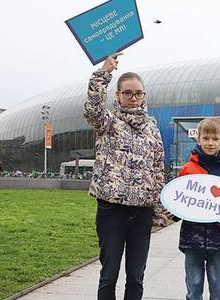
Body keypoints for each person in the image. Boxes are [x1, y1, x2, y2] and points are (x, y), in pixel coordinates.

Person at [84, 52, 169, 300]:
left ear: (144, 96)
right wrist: (104, 73)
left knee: (136, 276)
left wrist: (159, 208)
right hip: (112, 209)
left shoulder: (152, 128)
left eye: (138, 93)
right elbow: (92, 109)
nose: (133, 98)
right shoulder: (108, 122)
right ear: (118, 95)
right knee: (109, 274)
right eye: (127, 93)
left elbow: (157, 170)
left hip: (141, 212)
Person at [165, 117, 220, 300]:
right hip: (192, 239)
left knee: (218, 291)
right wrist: (172, 213)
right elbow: (179, 201)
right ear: (198, 138)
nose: (210, 143)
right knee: (193, 289)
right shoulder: (188, 169)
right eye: (206, 138)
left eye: (215, 139)